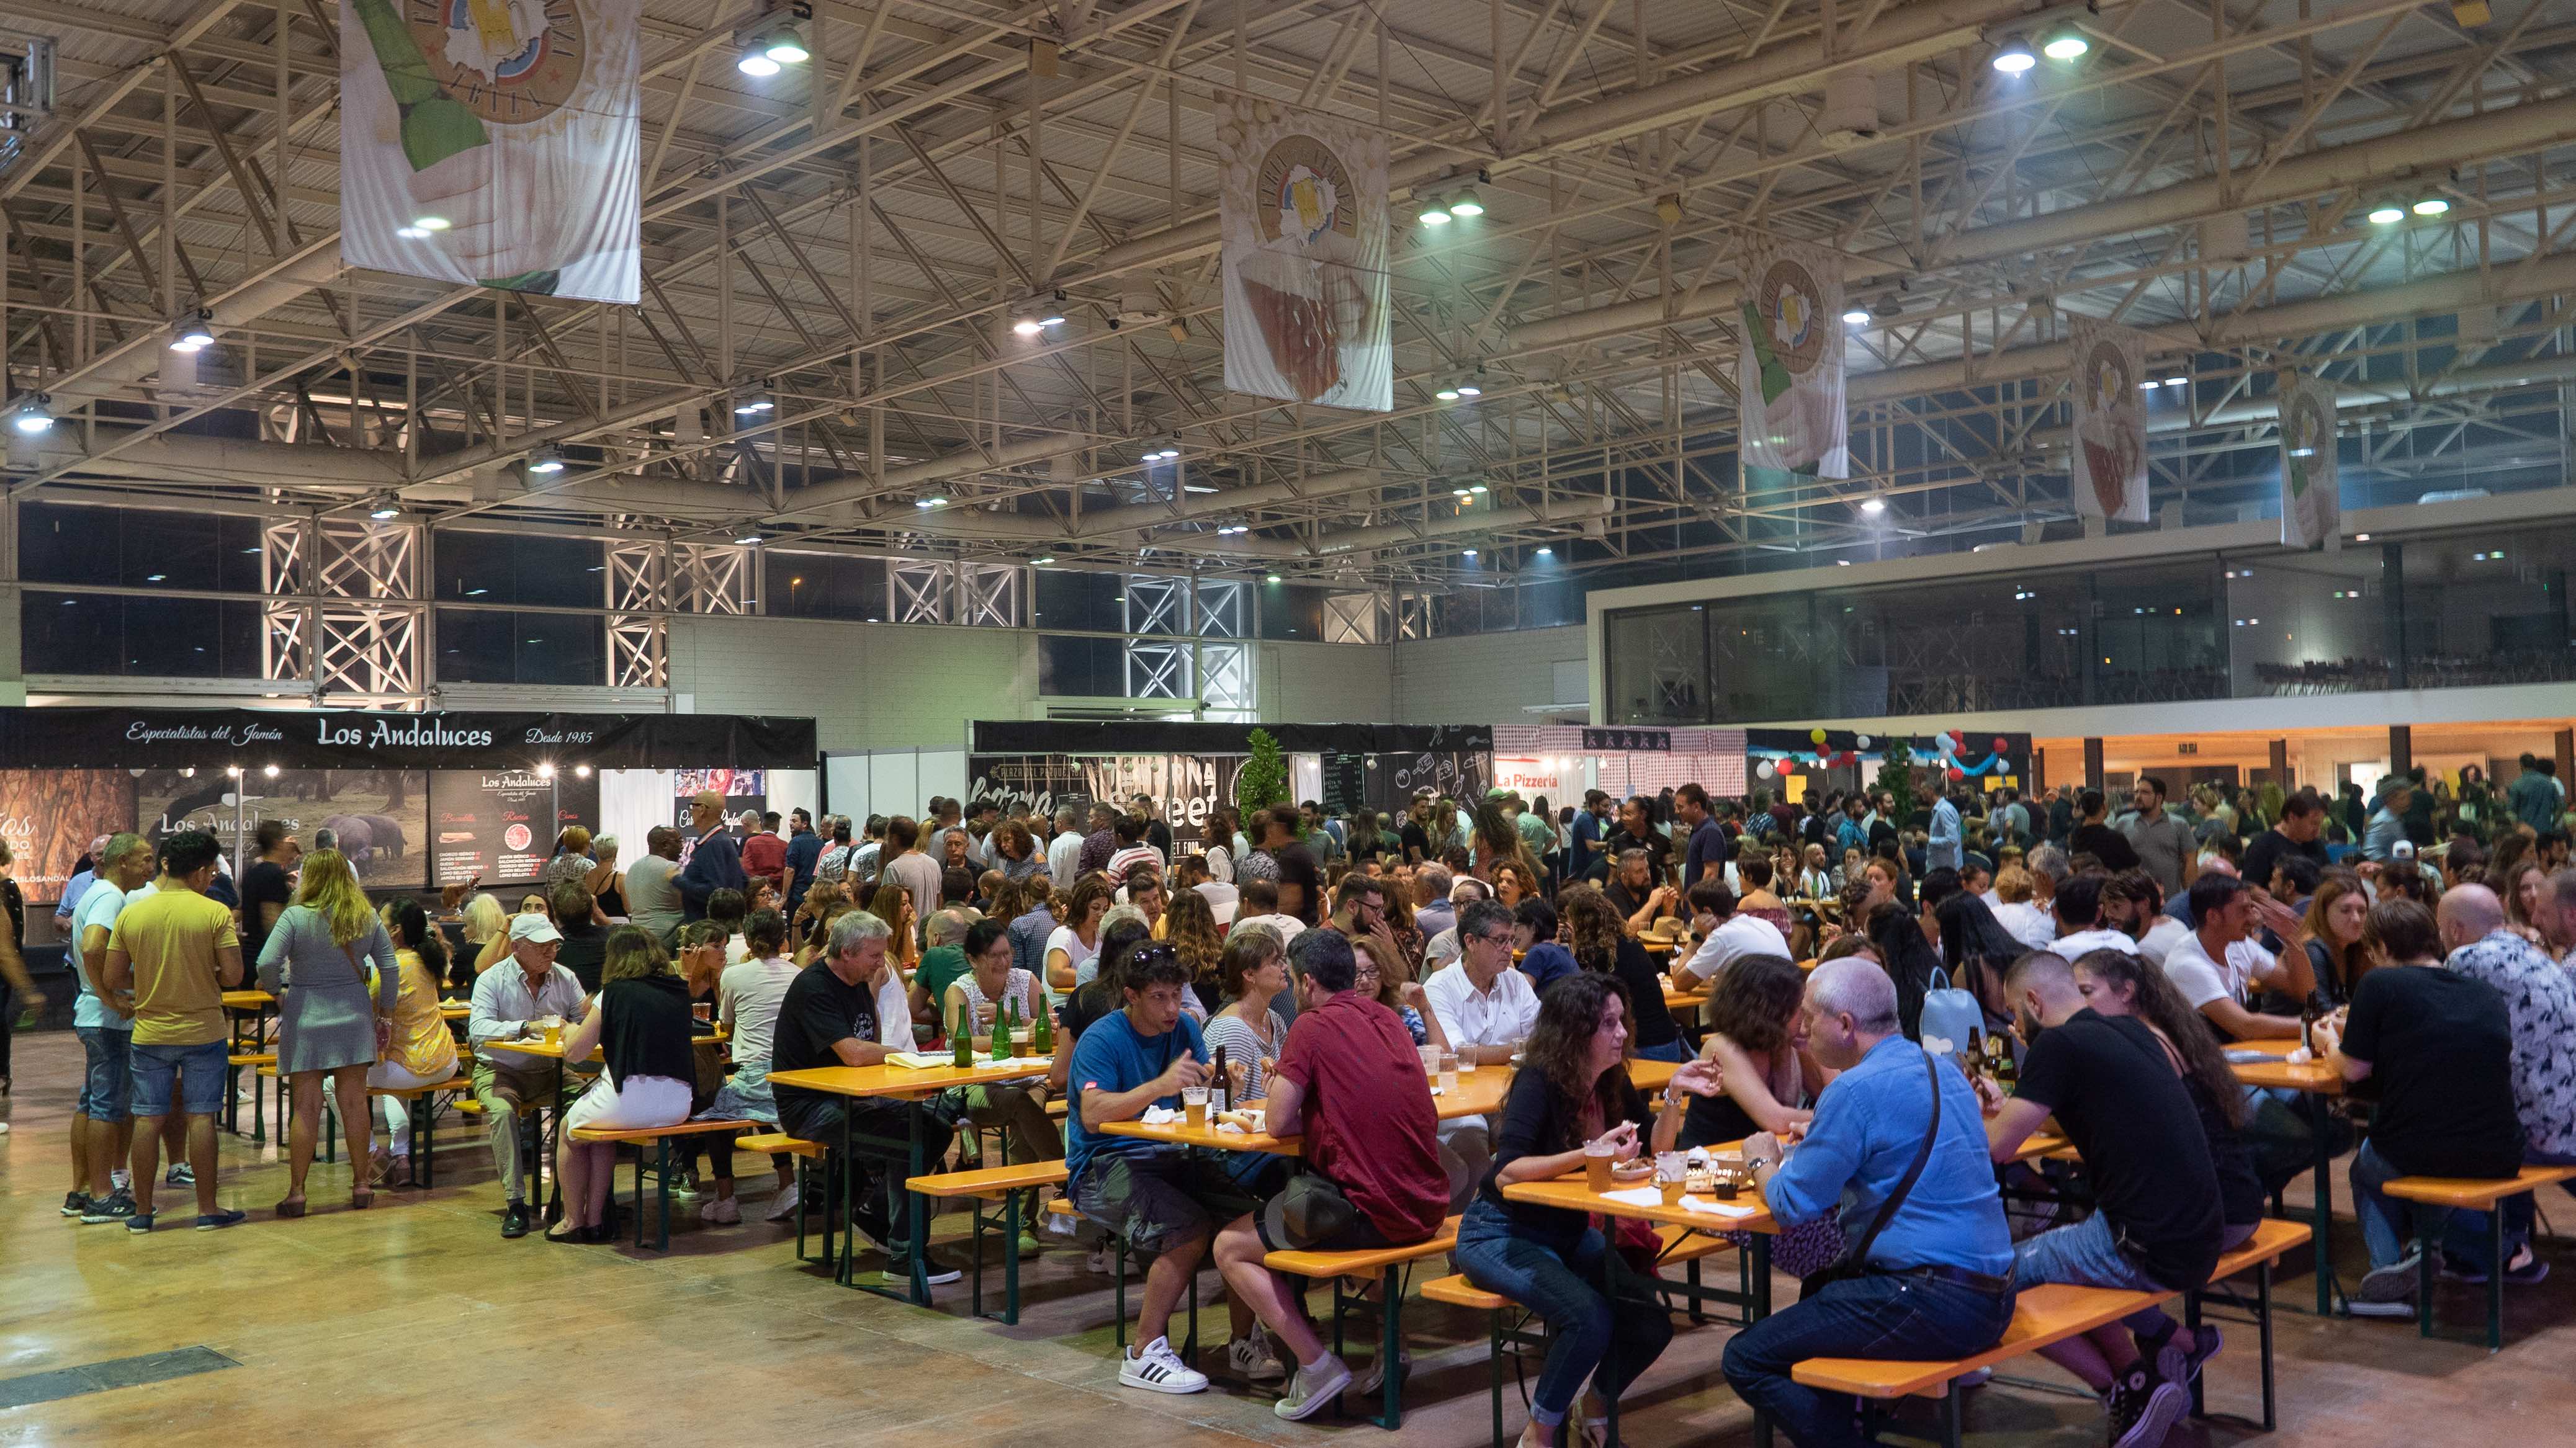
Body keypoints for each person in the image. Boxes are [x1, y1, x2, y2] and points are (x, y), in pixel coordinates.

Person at [1721, 959, 2017, 1448]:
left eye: (1809, 1017)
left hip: (1929, 1301)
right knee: (1821, 1287)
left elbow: (1791, 1204)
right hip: (1994, 1293)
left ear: (1844, 1026)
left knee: (1745, 1357)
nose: (1800, 1028)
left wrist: (1759, 1160)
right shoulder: (1941, 1069)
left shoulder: (1853, 1090)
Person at [1981, 950, 2229, 1447]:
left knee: (1988, 1285)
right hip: (2200, 1232)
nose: (2013, 1026)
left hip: (2139, 1245)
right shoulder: (2131, 1030)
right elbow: (2079, 1110)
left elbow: (1996, 1148)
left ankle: (2127, 1386)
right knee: (2064, 1256)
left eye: (2013, 1013)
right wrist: (2007, 1106)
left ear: (2032, 1001)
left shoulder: (2057, 1044)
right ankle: (2170, 1342)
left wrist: (1973, 1112)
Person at [1211, 927, 1453, 1418]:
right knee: (1315, 1209)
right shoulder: (1388, 1018)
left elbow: (1277, 1121)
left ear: (1305, 983)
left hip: (1375, 1212)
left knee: (1230, 1247)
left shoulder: (1312, 1026)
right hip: (1427, 1203)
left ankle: (1316, 1363)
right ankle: (1391, 1343)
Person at [1456, 973, 1702, 1446]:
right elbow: (1507, 1171)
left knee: (1648, 1321)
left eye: (1621, 1021)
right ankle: (1539, 1433)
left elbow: (1656, 1146)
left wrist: (1674, 1091)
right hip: (1498, 1232)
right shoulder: (1539, 1080)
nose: (1623, 1033)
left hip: (1566, 1231)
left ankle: (1592, 1410)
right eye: (1608, 1024)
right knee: (1589, 1318)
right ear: (1575, 1032)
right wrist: (1591, 1154)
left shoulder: (1611, 1078)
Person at [2317, 898, 2531, 1313]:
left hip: (2423, 1148)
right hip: (2501, 1149)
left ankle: (2388, 1274)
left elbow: (2354, 1069)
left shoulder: (2380, 985)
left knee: (2366, 1167)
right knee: (2427, 1150)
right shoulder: (2481, 991)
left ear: (2379, 947)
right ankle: (2431, 1245)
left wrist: (2326, 1041)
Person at [1067, 941, 1260, 1394]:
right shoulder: (1102, 1038)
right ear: (1131, 995)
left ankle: (1243, 1341)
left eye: (1177, 995)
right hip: (1100, 1167)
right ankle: (1143, 1352)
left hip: (1172, 1157)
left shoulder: (1185, 1030)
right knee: (1187, 1228)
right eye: (1159, 997)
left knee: (1248, 1217)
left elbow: (1204, 1086)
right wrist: (1160, 1085)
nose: (1173, 1007)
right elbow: (1093, 1113)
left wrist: (1223, 1077)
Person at [771, 911, 962, 1286]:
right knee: (910, 1140)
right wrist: (912, 1057)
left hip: (854, 1098)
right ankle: (906, 1256)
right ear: (845, 952)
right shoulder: (815, 987)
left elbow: (869, 1034)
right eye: (874, 956)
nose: (881, 963)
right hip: (809, 1106)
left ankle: (876, 1216)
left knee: (935, 1128)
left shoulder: (857, 979)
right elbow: (855, 1053)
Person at [100, 830, 248, 1232]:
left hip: (150, 1032)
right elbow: (234, 975)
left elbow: (112, 977)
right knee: (202, 1118)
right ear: (200, 872)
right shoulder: (214, 913)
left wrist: (149, 975)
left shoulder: (133, 912)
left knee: (148, 1120)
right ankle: (207, 1209)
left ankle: (143, 1213)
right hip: (204, 1031)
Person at [2433, 884, 2576, 1274]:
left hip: (2542, 1130)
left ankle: (2497, 1251)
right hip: (2565, 1116)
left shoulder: (2466, 959)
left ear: (2456, 930)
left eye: (2442, 930)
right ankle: (2512, 1243)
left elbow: (2441, 1036)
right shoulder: (2536, 955)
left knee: (2419, 1142)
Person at [256, 847, 400, 1217]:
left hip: (305, 1015)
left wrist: (277, 992)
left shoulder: (295, 917)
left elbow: (266, 961)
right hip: (353, 1016)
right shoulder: (365, 915)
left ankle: (298, 1192)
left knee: (305, 1107)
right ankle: (362, 1184)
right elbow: (389, 965)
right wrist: (385, 1009)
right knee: (354, 1104)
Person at [545, 927, 695, 1243]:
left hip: (629, 1099)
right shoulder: (679, 990)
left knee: (568, 1130)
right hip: (679, 1102)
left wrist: (568, 1028)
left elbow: (576, 1052)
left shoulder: (613, 993)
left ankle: (573, 1220)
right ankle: (597, 1220)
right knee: (600, 1138)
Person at [467, 913, 589, 1238]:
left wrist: (575, 1027)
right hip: (502, 1069)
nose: (551, 953)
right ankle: (516, 1202)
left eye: (554, 946)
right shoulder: (492, 979)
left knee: (589, 1107)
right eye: (542, 947)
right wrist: (523, 1027)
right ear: (517, 947)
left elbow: (583, 1020)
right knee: (503, 1113)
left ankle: (572, 1196)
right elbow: (477, 1030)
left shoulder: (565, 977)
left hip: (553, 1070)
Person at [1423, 898, 1542, 1208]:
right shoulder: (1441, 987)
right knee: (1475, 1155)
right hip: (1461, 1100)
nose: (1509, 949)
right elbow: (1458, 1055)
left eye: (1512, 940)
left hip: (1510, 1092)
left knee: (1541, 1139)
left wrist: (1504, 1052)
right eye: (1500, 941)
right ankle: (1466, 1246)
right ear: (1471, 942)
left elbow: (1544, 1037)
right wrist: (1518, 1050)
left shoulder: (1514, 982)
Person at [66, 833, 156, 1223]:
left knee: (91, 1103)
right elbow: (91, 946)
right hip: (107, 1021)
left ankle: (83, 1190)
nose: (151, 869)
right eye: (145, 860)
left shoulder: (99, 893)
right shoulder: (110, 897)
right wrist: (110, 996)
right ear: (123, 863)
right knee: (106, 1106)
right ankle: (103, 1195)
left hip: (95, 1017)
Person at [941, 918, 1057, 1172]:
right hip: (977, 1085)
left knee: (1026, 1109)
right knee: (1022, 1104)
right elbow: (964, 1042)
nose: (1004, 962)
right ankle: (1065, 1177)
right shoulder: (959, 991)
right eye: (994, 956)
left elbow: (1052, 1027)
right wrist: (1021, 1034)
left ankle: (1023, 1202)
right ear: (973, 960)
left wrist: (1009, 1018)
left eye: (1007, 954)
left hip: (1028, 1078)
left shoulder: (1025, 980)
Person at [1677, 953, 1813, 1148]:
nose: (1806, 1012)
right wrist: (1835, 1118)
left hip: (1755, 1159)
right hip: (1708, 1166)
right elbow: (1775, 1119)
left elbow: (1839, 1092)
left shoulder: (1784, 1044)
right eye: (1799, 1004)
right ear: (1770, 1009)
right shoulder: (1722, 1048)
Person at [368, 898, 460, 1186]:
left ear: (395, 931)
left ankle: (372, 1154)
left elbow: (366, 1010)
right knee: (391, 1086)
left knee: (334, 1084)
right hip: (446, 1061)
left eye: (380, 923)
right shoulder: (427, 960)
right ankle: (402, 1156)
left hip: (413, 1066)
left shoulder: (391, 968)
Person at [2164, 872, 2309, 1041]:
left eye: (2251, 908)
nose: (2253, 918)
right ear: (2214, 917)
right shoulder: (2187, 964)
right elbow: (2245, 1027)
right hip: (2197, 1063)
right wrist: (2314, 1025)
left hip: (2230, 1054)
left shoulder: (2239, 944)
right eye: (2243, 911)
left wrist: (2291, 938)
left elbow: (2304, 990)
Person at [1563, 885, 1684, 1061]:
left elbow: (1583, 1002)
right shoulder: (1631, 943)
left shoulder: (1597, 955)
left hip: (1641, 1047)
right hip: (1669, 1042)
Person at [1203, 932, 1290, 1102]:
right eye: (1274, 961)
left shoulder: (1275, 1020)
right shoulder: (1234, 1029)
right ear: (1249, 974)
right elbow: (1223, 1105)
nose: (1284, 967)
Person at [1672, 877, 1791, 987]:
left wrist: (1697, 935)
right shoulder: (1765, 925)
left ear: (1707, 912)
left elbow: (1679, 983)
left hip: (1757, 1006)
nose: (1695, 921)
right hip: (1787, 1000)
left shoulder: (1721, 937)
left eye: (1695, 916)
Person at [2239, 790, 2329, 899]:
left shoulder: (2316, 844)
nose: (2318, 831)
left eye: (2320, 824)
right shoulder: (2263, 845)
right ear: (2292, 818)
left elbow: (2328, 876)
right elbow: (2250, 888)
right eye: (2314, 823)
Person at [237, 818, 300, 967]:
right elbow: (272, 921)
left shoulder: (253, 869)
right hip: (264, 956)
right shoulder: (273, 873)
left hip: (250, 954)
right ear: (278, 843)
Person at [2122, 777, 2196, 900]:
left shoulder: (2179, 824)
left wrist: (2190, 895)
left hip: (2170, 899)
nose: (2138, 796)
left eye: (2145, 792)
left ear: (2159, 797)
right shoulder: (2123, 824)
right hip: (2133, 899)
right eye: (2137, 792)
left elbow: (2191, 860)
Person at [678, 791, 747, 922]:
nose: (691, 811)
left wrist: (678, 881)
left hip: (708, 928)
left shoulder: (713, 843)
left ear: (702, 809)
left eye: (693, 807)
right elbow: (743, 880)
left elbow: (715, 892)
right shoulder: (722, 840)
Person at [1047, 874, 1115, 996]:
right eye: (1095, 908)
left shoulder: (1101, 936)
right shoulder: (1064, 934)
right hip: (1062, 1005)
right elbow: (1055, 975)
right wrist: (1100, 977)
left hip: (1089, 1001)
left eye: (1105, 909)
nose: (1101, 914)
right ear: (1081, 907)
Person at [877, 815, 943, 941]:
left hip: (906, 939)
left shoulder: (895, 868)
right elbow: (939, 902)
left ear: (895, 839)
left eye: (888, 836)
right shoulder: (934, 864)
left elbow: (886, 909)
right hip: (930, 938)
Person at [622, 826, 685, 945]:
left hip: (636, 937)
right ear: (665, 845)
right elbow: (691, 899)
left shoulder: (633, 867)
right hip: (667, 939)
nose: (682, 846)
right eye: (678, 841)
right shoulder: (672, 869)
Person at [1602, 849, 1677, 936]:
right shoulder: (1612, 895)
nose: (1646, 875)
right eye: (1639, 871)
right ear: (1624, 877)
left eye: (1647, 868)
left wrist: (1668, 909)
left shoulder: (1646, 890)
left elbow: (1663, 932)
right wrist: (1652, 904)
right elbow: (1629, 931)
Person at [2068, 789, 2141, 870]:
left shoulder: (2075, 836)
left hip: (2082, 881)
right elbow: (2134, 862)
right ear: (2103, 807)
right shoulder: (2115, 838)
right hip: (2110, 881)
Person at [1046, 807, 1086, 885]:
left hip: (1063, 895)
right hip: (1082, 894)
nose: (1053, 822)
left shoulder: (1057, 844)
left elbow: (1053, 876)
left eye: (1055, 820)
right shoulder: (1085, 841)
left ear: (1059, 823)